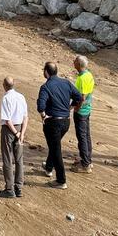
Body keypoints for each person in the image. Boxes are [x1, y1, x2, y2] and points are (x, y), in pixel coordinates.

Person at [37, 61, 82, 189]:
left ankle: (61, 180)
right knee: (54, 145)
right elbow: (78, 97)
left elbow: (41, 106)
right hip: (65, 122)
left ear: (46, 72)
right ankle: (49, 167)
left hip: (53, 122)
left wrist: (43, 116)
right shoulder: (66, 83)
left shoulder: (45, 87)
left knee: (56, 149)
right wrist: (70, 107)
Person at [0, 77, 28, 199]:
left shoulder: (6, 98)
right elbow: (26, 117)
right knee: (19, 159)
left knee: (7, 159)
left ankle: (9, 189)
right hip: (20, 128)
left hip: (9, 131)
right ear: (13, 85)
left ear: (4, 85)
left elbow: (7, 120)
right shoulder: (21, 97)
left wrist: (15, 133)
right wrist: (22, 133)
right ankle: (18, 187)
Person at [71, 55, 95, 174]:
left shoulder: (82, 78)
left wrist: (75, 108)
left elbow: (82, 97)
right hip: (87, 110)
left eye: (75, 61)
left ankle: (85, 164)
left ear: (79, 65)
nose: (73, 62)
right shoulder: (89, 75)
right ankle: (87, 160)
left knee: (82, 137)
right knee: (86, 135)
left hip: (81, 111)